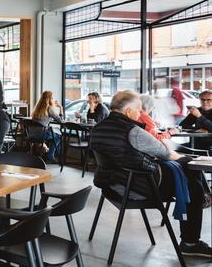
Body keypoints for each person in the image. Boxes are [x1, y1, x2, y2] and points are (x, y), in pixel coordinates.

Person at [90, 90, 210, 257]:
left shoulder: (98, 128)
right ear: (128, 111)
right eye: (139, 110)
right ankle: (191, 242)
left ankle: (204, 198)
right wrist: (185, 158)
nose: (141, 114)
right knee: (193, 183)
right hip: (135, 186)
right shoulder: (132, 131)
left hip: (110, 183)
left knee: (188, 174)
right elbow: (164, 152)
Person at [31, 91, 63, 162]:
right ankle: (50, 155)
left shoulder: (37, 108)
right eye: (52, 98)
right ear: (50, 99)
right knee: (58, 136)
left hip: (31, 134)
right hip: (42, 134)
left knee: (52, 133)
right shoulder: (49, 108)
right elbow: (60, 120)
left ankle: (45, 153)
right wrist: (61, 108)